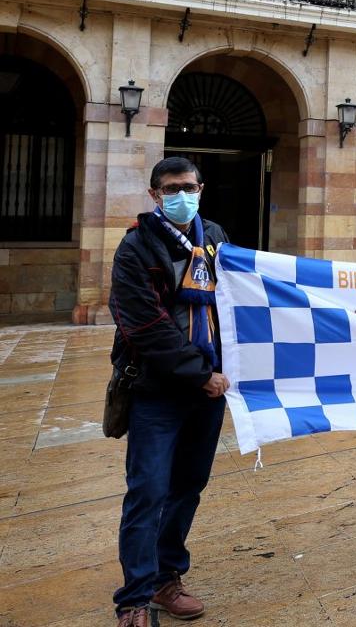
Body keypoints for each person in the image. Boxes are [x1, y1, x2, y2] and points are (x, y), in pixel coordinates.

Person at [109, 157, 231, 627]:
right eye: (171, 188)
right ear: (155, 194)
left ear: (201, 188)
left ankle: (166, 578)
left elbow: (239, 302)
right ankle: (134, 598)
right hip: (157, 391)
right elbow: (143, 325)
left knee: (187, 488)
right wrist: (199, 372)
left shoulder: (215, 237)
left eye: (189, 186)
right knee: (148, 490)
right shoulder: (136, 246)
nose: (182, 194)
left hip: (209, 392)